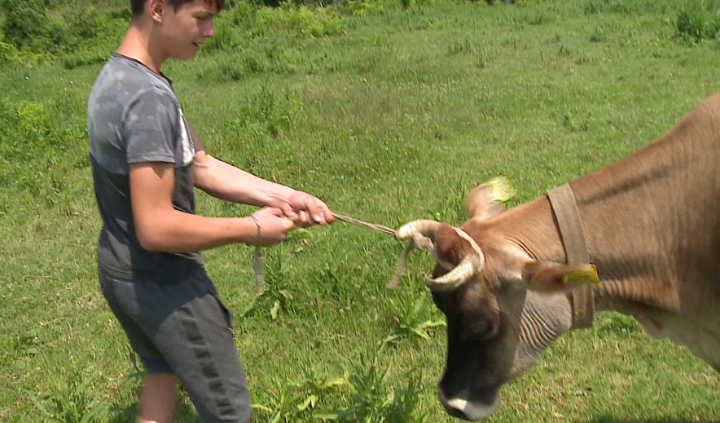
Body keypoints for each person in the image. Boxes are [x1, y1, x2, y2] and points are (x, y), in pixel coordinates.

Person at [87, 0, 335, 422]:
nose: (210, 31)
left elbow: (199, 163)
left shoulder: (121, 77)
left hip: (121, 270)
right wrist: (251, 230)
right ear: (158, 8)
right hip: (164, 285)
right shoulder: (148, 100)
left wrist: (284, 195)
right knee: (229, 411)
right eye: (201, 18)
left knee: (162, 374)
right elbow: (156, 227)